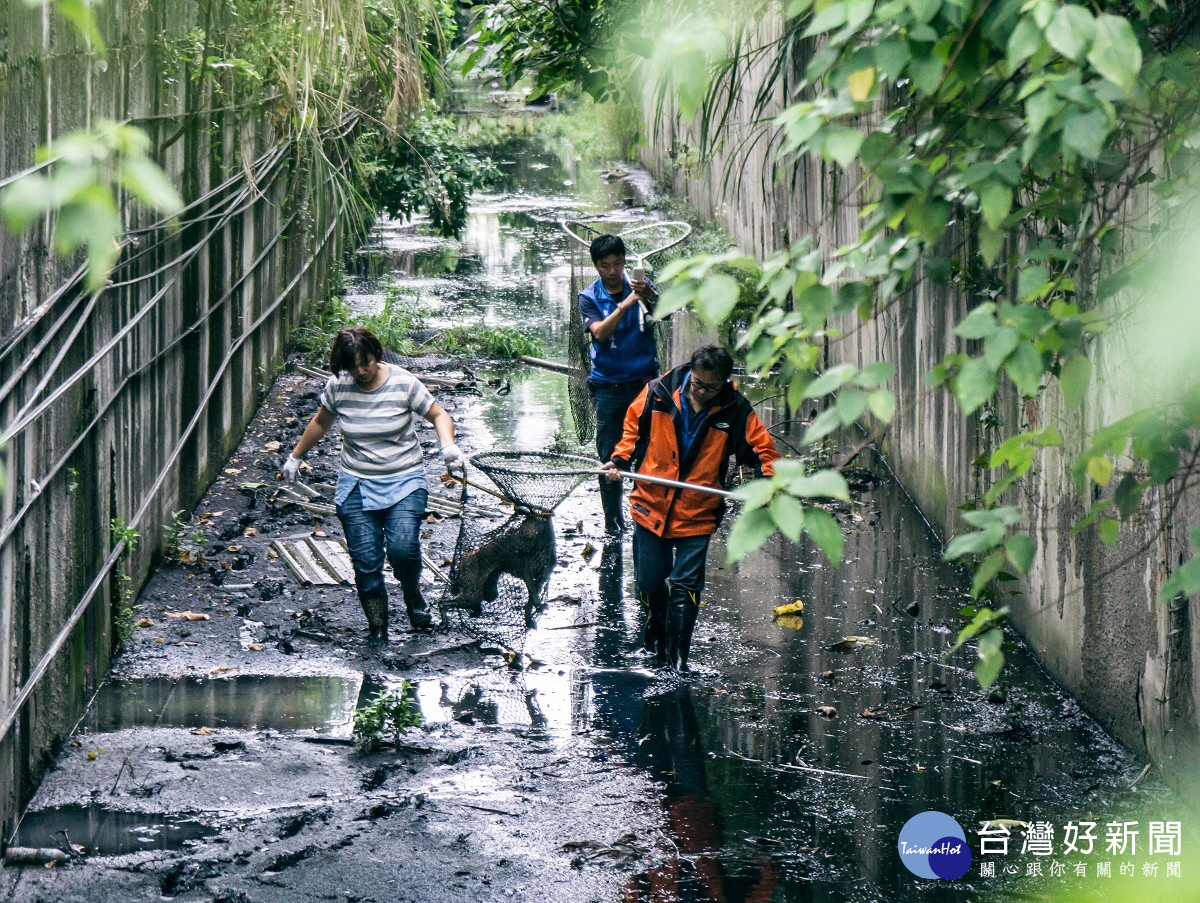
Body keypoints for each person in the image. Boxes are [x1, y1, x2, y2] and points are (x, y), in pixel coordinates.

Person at [602, 345, 780, 671]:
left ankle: (678, 660)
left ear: (724, 384)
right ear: (691, 373)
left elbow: (765, 452)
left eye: (710, 387)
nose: (701, 391)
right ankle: (656, 629)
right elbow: (631, 430)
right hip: (650, 505)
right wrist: (618, 461)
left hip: (697, 512)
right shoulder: (658, 393)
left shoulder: (734, 410)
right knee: (649, 582)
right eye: (697, 383)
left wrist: (768, 484)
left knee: (686, 586)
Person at [283, 327, 465, 643]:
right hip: (357, 482)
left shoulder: (403, 382)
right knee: (366, 564)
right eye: (352, 366)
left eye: (365, 362)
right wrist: (296, 457)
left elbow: (438, 415)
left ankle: (412, 596)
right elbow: (321, 421)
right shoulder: (339, 386)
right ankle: (378, 631)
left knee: (402, 549)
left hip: (405, 478)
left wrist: (448, 445)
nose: (361, 372)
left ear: (376, 355)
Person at [578, 233, 660, 536]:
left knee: (649, 452)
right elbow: (599, 333)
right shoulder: (588, 297)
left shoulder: (641, 286)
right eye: (605, 265)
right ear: (597, 267)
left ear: (625, 261)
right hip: (608, 386)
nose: (613, 271)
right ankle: (613, 523)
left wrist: (649, 296)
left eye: (617, 263)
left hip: (644, 384)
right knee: (610, 456)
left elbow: (664, 313)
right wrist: (626, 304)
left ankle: (645, 517)